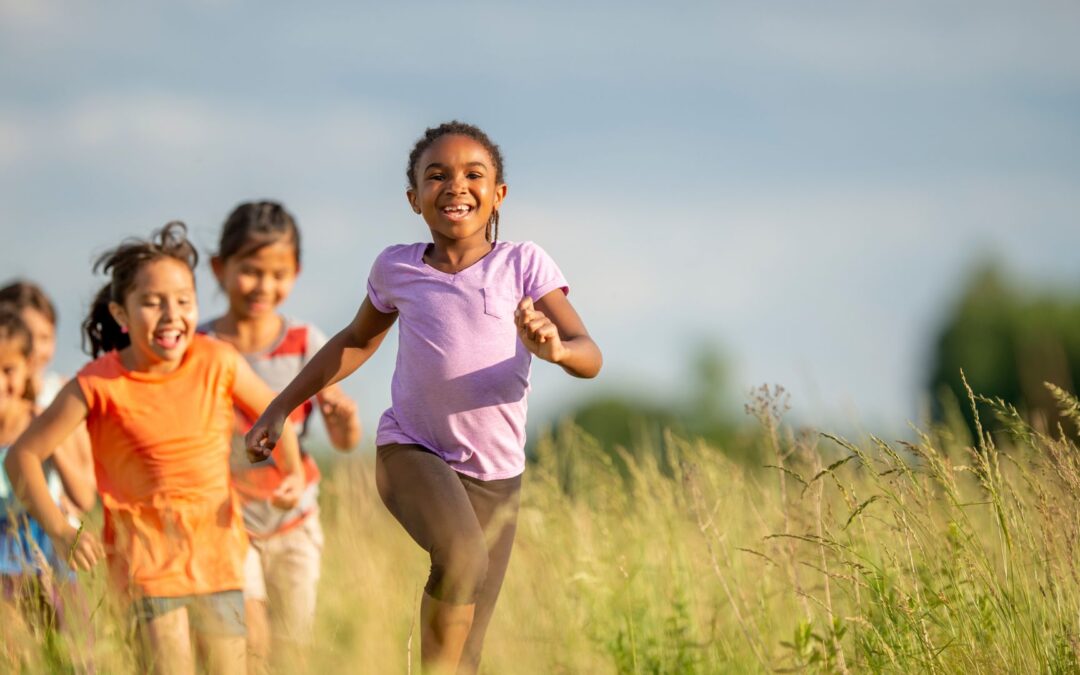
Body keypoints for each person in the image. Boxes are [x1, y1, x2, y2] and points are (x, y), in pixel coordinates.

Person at [245, 121, 603, 674]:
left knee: (468, 653)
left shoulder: (524, 264)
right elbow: (355, 340)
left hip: (497, 477)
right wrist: (280, 406)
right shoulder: (399, 268)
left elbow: (589, 354)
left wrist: (555, 349)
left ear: (499, 194)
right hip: (412, 451)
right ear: (414, 199)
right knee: (461, 555)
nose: (455, 185)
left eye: (472, 174)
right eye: (436, 176)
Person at [4, 222, 305, 675]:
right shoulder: (97, 383)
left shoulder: (216, 360)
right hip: (144, 566)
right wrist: (62, 531)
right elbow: (21, 456)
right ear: (121, 314)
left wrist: (294, 471)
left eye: (184, 301)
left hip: (218, 558)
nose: (171, 314)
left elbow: (276, 413)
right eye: (151, 302)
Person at [200, 200, 360, 670]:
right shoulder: (199, 347)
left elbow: (345, 441)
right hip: (227, 520)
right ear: (219, 268)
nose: (264, 286)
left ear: (296, 273)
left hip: (296, 520)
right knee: (250, 640)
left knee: (294, 645)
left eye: (278, 274)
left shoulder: (308, 344)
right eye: (250, 271)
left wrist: (344, 416)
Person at [0, 306, 95, 644]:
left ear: (28, 368)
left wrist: (47, 444)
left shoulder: (42, 423)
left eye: (8, 369)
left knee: (74, 648)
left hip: (49, 552)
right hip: (2, 562)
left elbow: (84, 496)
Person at [0, 280, 96, 522]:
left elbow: (85, 488)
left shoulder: (61, 397)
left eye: (45, 338)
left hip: (48, 536)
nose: (35, 348)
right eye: (27, 335)